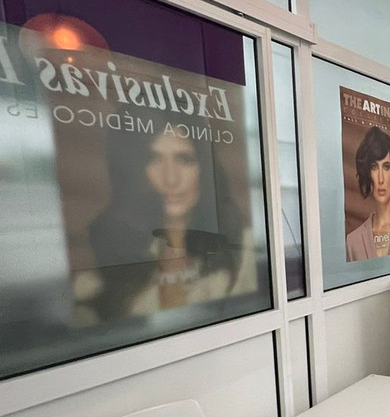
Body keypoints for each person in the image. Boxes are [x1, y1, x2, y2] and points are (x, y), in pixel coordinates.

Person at [76, 118, 256, 322]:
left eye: (184, 159)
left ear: (205, 169)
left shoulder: (246, 252)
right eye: (153, 159)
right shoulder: (102, 274)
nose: (171, 179)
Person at [346, 125, 390, 262]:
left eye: (386, 167)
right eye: (374, 167)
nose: (381, 179)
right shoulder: (353, 241)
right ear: (367, 173)